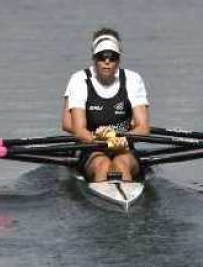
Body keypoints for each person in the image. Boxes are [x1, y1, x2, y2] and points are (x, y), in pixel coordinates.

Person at [62, 28, 150, 182]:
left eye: (113, 57)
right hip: (89, 145)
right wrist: (102, 139)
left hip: (123, 145)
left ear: (119, 58)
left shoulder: (133, 79)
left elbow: (143, 128)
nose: (107, 61)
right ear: (94, 57)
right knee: (103, 165)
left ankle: (126, 203)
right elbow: (78, 130)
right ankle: (105, 199)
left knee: (121, 164)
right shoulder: (79, 80)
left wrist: (114, 140)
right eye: (102, 57)